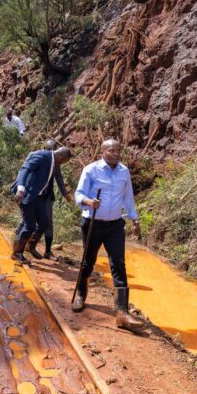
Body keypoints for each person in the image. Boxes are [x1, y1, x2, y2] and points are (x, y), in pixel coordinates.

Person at [73, 138, 144, 332]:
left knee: (118, 263)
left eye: (118, 150)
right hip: (92, 222)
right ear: (103, 152)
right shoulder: (91, 170)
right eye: (111, 150)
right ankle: (80, 294)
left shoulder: (124, 171)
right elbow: (78, 195)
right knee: (88, 260)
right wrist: (88, 201)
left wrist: (134, 218)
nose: (115, 153)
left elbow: (128, 197)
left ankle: (122, 312)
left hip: (115, 225)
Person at [11, 146, 73, 265]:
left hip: (39, 197)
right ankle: (17, 253)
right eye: (65, 161)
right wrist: (20, 189)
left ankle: (30, 246)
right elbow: (25, 169)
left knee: (44, 223)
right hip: (26, 195)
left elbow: (56, 179)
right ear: (60, 157)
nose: (63, 164)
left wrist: (64, 194)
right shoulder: (42, 156)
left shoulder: (54, 161)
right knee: (29, 226)